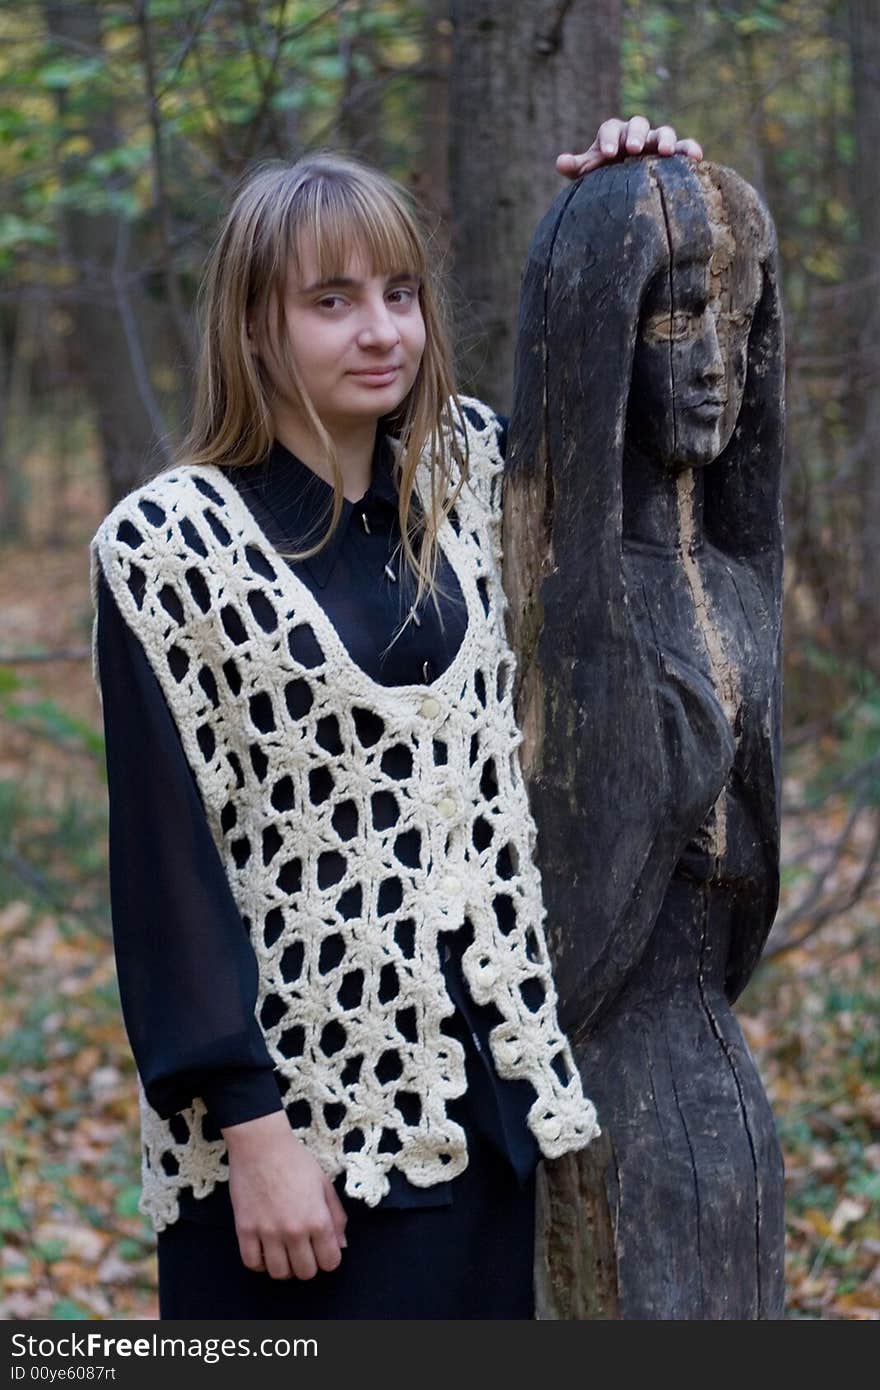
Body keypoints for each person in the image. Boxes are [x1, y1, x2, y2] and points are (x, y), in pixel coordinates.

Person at [89, 115, 704, 1320]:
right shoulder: (170, 547)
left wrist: (633, 205)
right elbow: (165, 874)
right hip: (297, 1140)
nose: (382, 331)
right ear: (255, 326)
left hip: (488, 1104)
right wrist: (252, 1130)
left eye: (401, 293)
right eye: (332, 301)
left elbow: (647, 435)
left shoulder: (471, 476)